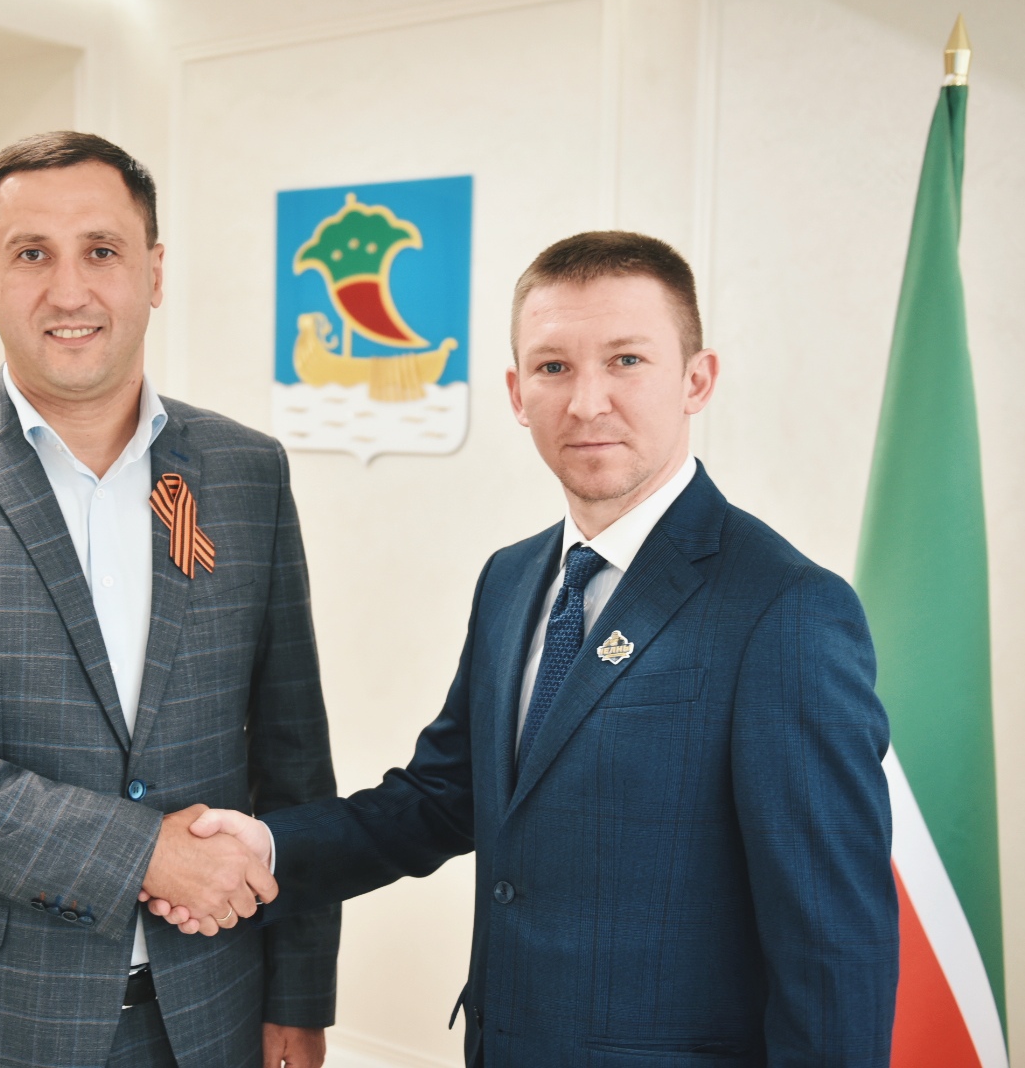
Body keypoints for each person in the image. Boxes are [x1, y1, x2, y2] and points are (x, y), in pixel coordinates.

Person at [151, 232, 900, 1066]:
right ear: (516, 391)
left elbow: (835, 955)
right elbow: (443, 797)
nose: (586, 402)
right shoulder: (512, 579)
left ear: (697, 380)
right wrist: (268, 847)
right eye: (553, 367)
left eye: (626, 360)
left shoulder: (785, 611)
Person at [0, 131, 338, 1068]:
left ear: (154, 272)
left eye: (101, 251)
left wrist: (298, 994)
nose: (68, 292)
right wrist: (143, 853)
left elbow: (294, 757)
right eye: (31, 254)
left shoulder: (246, 472)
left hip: (207, 1006)